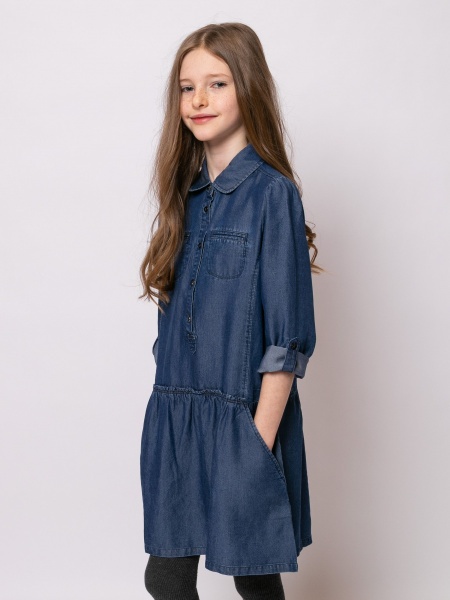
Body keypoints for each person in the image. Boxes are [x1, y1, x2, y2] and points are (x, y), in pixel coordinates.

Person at [139, 22, 322, 600]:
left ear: (248, 87)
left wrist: (256, 442)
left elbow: (287, 341)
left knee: (253, 575)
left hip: (243, 424)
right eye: (187, 87)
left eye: (217, 83)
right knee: (166, 577)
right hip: (177, 422)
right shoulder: (183, 194)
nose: (199, 99)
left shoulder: (272, 194)